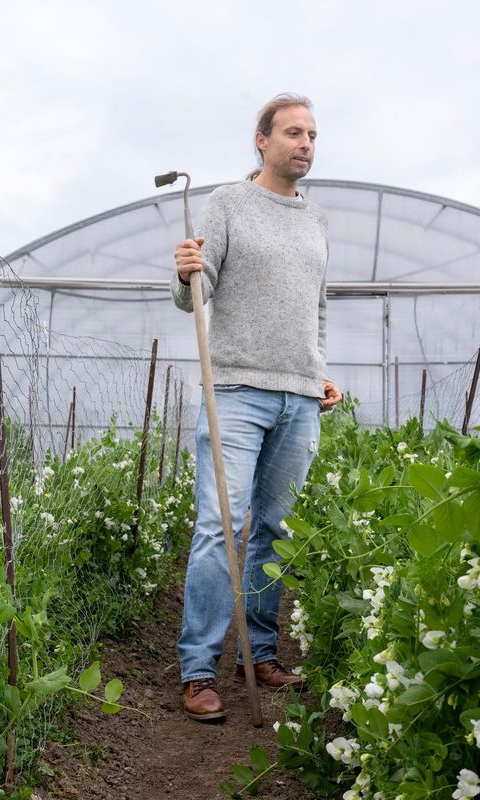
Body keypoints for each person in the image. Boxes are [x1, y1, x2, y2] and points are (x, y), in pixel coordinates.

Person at [171, 93, 342, 722]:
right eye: (294, 133)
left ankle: (261, 653)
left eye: (313, 135)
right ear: (261, 140)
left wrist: (320, 375)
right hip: (238, 390)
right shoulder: (225, 204)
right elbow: (195, 297)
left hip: (301, 398)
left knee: (276, 530)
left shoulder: (317, 220)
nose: (306, 144)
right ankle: (198, 670)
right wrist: (184, 269)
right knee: (223, 525)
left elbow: (316, 310)